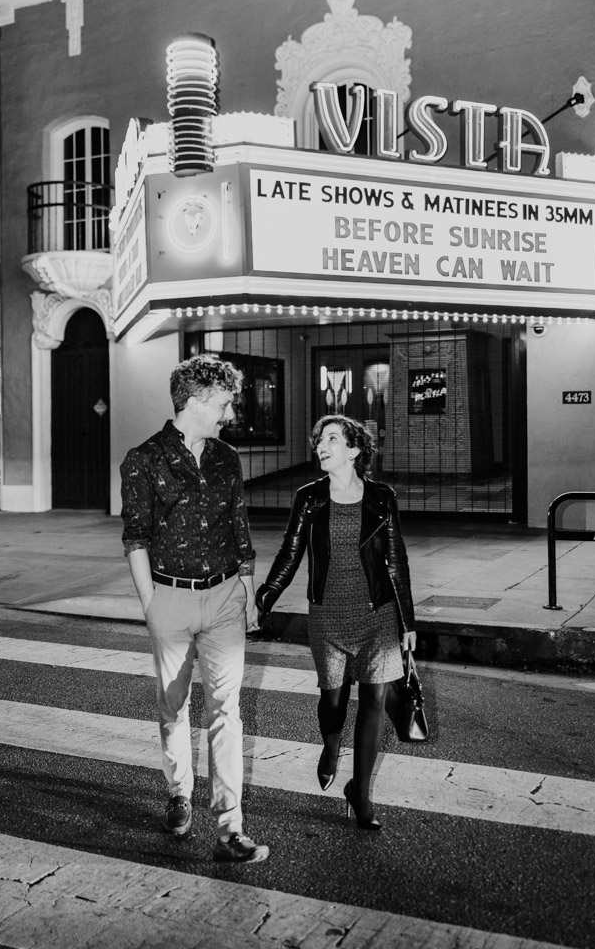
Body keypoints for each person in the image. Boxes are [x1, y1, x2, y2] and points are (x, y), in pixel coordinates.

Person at [120, 353, 269, 865]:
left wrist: (247, 592)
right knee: (173, 706)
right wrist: (151, 605)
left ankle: (230, 826)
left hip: (226, 596)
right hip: (171, 598)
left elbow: (240, 529)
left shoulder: (227, 459)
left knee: (227, 710)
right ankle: (179, 791)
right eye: (225, 403)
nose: (230, 414)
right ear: (198, 399)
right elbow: (135, 538)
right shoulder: (143, 460)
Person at [256, 414, 416, 830]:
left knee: (375, 700)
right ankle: (330, 746)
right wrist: (264, 597)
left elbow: (396, 559)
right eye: (318, 440)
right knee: (333, 701)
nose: (320, 446)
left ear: (354, 450)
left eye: (331, 439)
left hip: (377, 612)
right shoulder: (309, 496)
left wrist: (407, 621)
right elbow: (291, 552)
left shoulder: (382, 497)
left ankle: (360, 794)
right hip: (328, 613)